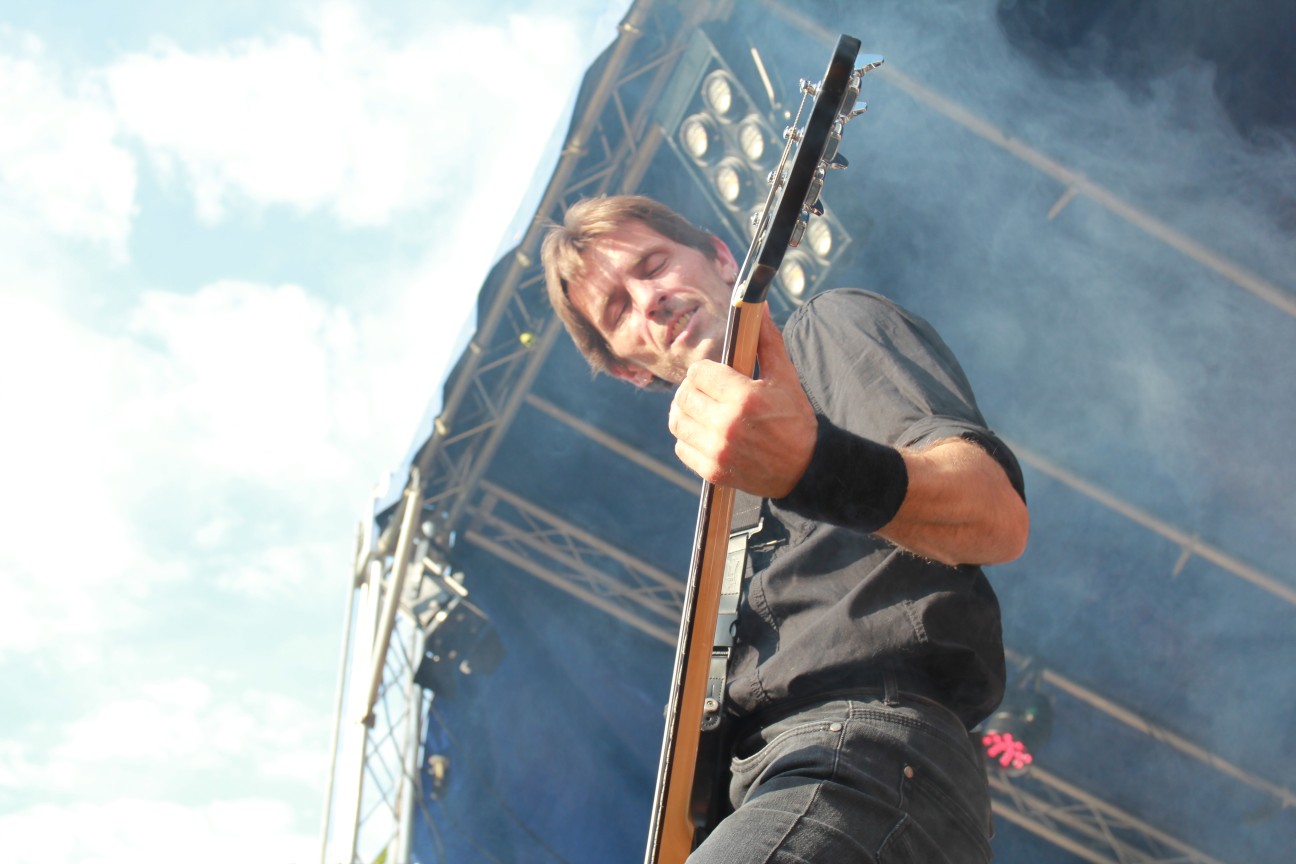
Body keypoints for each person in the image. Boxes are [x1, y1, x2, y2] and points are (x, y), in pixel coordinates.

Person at [540, 194, 1029, 864]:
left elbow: (994, 514)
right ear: (628, 367)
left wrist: (813, 464)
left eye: (653, 266)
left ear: (721, 257)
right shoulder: (718, 512)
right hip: (782, 784)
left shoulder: (827, 330)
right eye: (618, 308)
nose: (649, 299)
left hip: (865, 751)